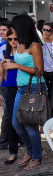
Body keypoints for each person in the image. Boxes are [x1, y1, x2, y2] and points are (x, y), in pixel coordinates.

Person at [2, 15, 47, 170]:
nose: (11, 30)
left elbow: (39, 71)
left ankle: (36, 157)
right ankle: (31, 151)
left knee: (29, 125)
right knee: (16, 123)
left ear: (21, 27)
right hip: (21, 88)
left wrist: (16, 66)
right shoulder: (19, 43)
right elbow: (22, 63)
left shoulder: (34, 45)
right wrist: (11, 62)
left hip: (34, 88)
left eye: (13, 27)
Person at [1, 28, 20, 164]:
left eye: (15, 38)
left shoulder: (23, 52)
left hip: (24, 88)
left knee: (25, 119)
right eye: (10, 39)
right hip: (10, 89)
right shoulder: (4, 52)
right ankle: (13, 152)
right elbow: (1, 74)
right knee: (12, 120)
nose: (13, 41)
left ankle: (32, 150)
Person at [0, 20, 11, 149]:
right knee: (7, 112)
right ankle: (4, 140)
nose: (1, 32)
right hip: (6, 84)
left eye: (3, 30)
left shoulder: (6, 45)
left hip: (9, 84)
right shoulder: (2, 46)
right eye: (0, 30)